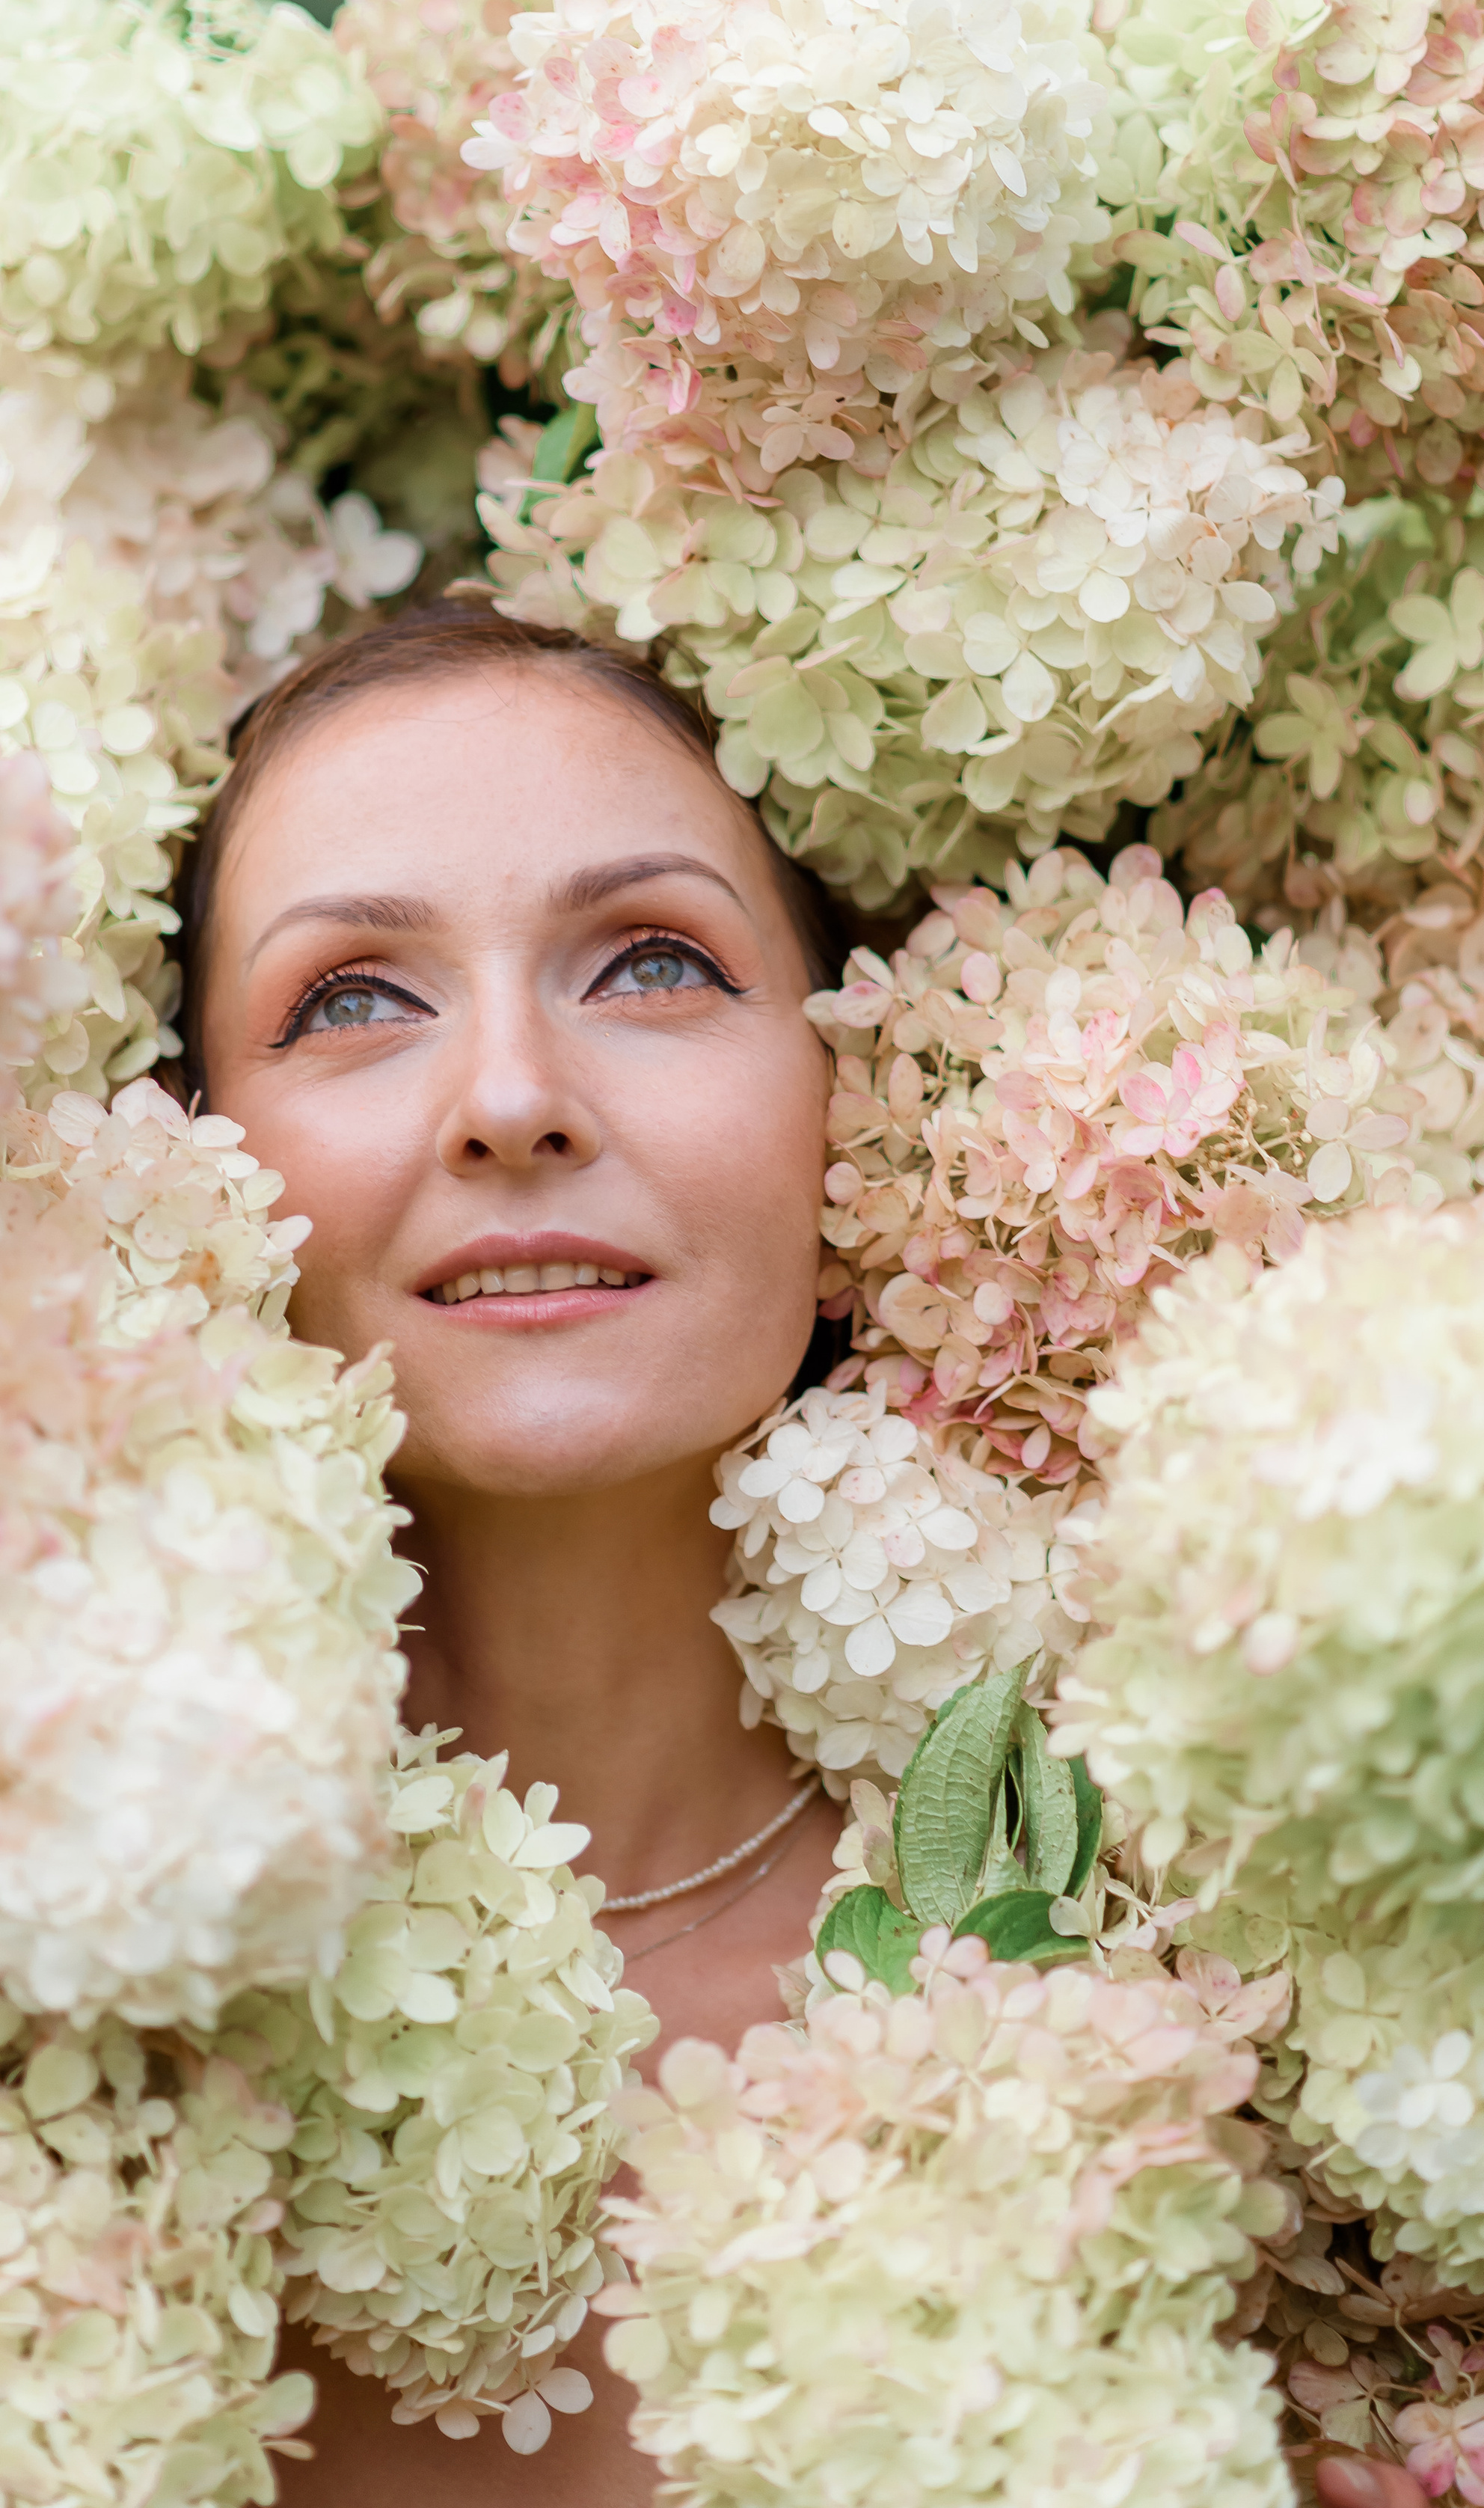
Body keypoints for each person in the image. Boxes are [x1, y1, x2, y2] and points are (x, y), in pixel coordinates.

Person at [180, 599, 1429, 2508]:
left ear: (847, 1082)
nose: (512, 1099)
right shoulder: (28, 2016)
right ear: (182, 1150)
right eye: (352, 996)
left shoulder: (1219, 1963)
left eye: (651, 960)